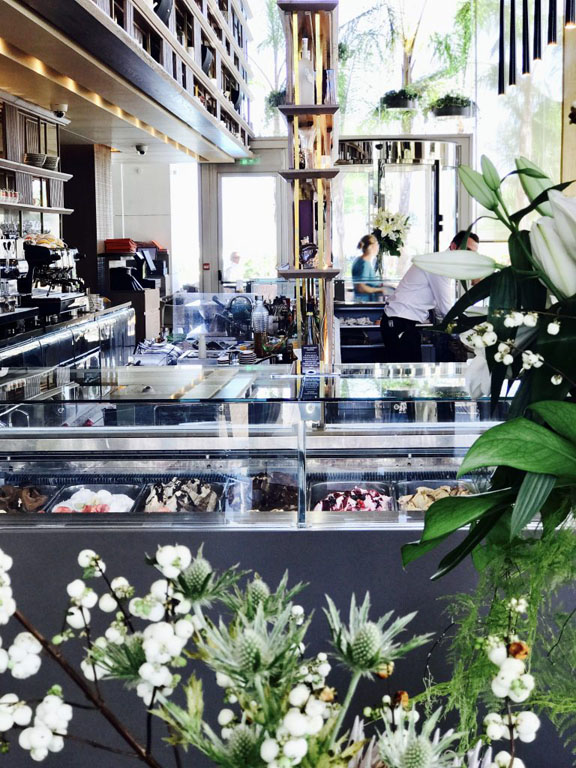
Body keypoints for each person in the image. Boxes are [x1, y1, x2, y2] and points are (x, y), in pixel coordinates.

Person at [380, 231, 480, 363]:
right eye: (467, 250)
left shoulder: (442, 262)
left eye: (473, 253)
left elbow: (440, 307)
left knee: (412, 370)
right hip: (399, 321)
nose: (470, 256)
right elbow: (446, 309)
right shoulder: (440, 264)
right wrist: (474, 327)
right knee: (406, 372)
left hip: (403, 321)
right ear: (453, 246)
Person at [351, 234, 385, 302]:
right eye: (377, 245)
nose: (378, 248)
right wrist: (380, 290)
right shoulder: (364, 264)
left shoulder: (358, 260)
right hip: (364, 302)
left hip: (360, 301)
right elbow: (360, 287)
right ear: (371, 246)